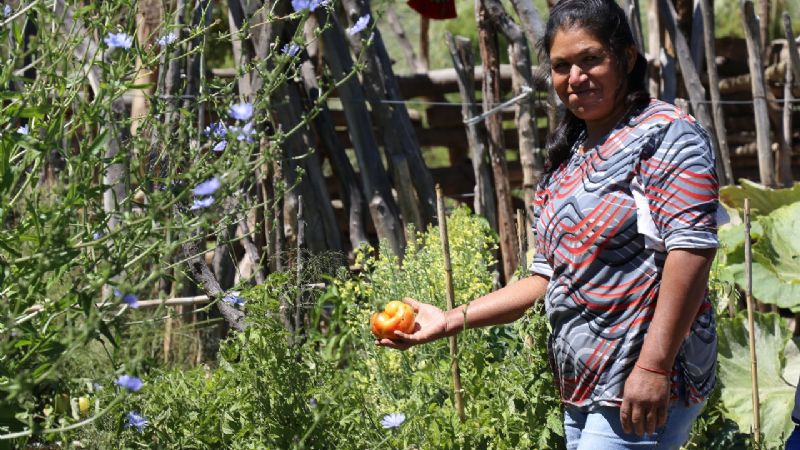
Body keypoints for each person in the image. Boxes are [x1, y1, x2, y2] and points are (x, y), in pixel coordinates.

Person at [377, 0, 721, 448]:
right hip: (584, 381)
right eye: (562, 66)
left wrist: (653, 367)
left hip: (640, 378)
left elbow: (691, 249)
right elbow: (548, 277)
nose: (576, 77)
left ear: (627, 58)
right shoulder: (571, 153)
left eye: (591, 59)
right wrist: (450, 320)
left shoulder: (665, 133)